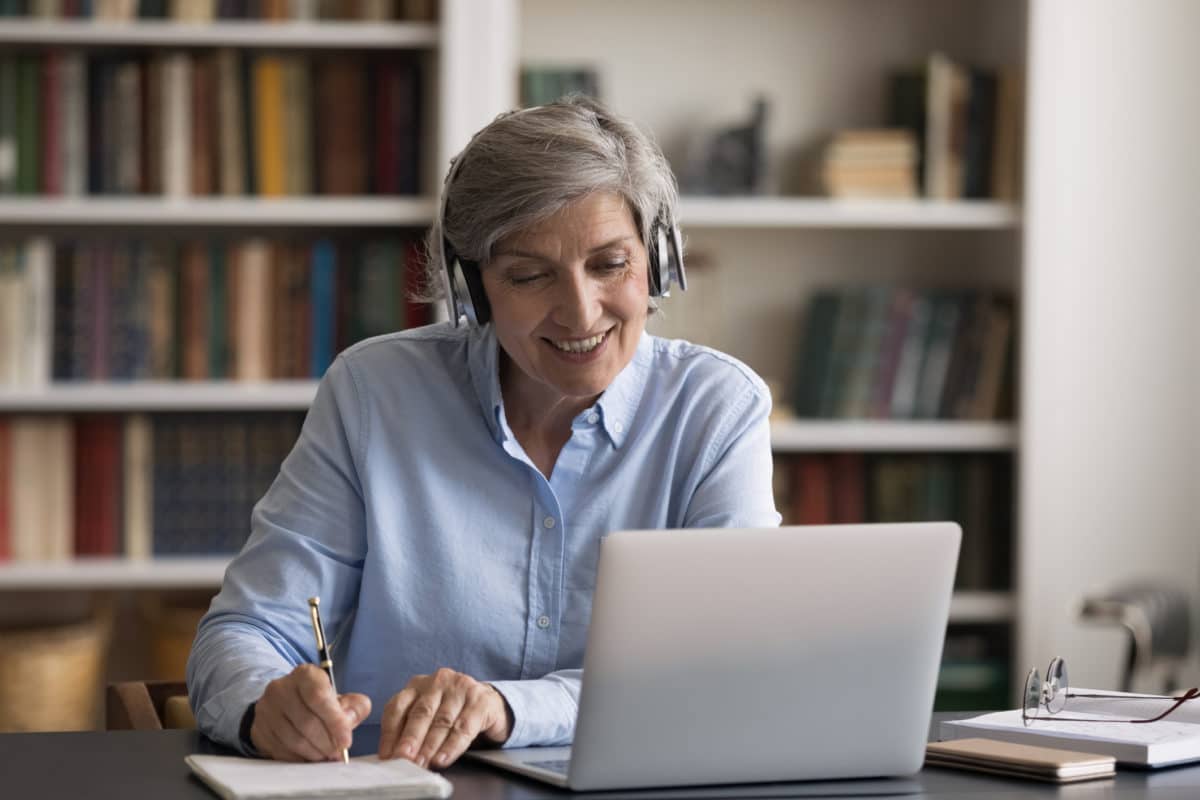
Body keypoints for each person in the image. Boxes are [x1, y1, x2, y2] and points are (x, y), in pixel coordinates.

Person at [187, 96, 780, 769]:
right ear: (473, 290)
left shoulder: (716, 409)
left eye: (611, 265)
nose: (580, 311)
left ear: (658, 257)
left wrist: (506, 708)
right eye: (530, 275)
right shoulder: (374, 394)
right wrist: (265, 702)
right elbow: (247, 627)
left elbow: (722, 666)